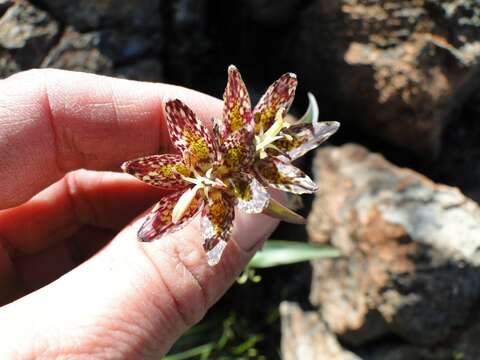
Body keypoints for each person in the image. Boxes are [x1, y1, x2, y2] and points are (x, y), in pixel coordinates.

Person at [0, 69, 279, 358]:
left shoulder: (235, 161)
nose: (206, 181)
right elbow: (146, 167)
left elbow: (247, 183)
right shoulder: (207, 173)